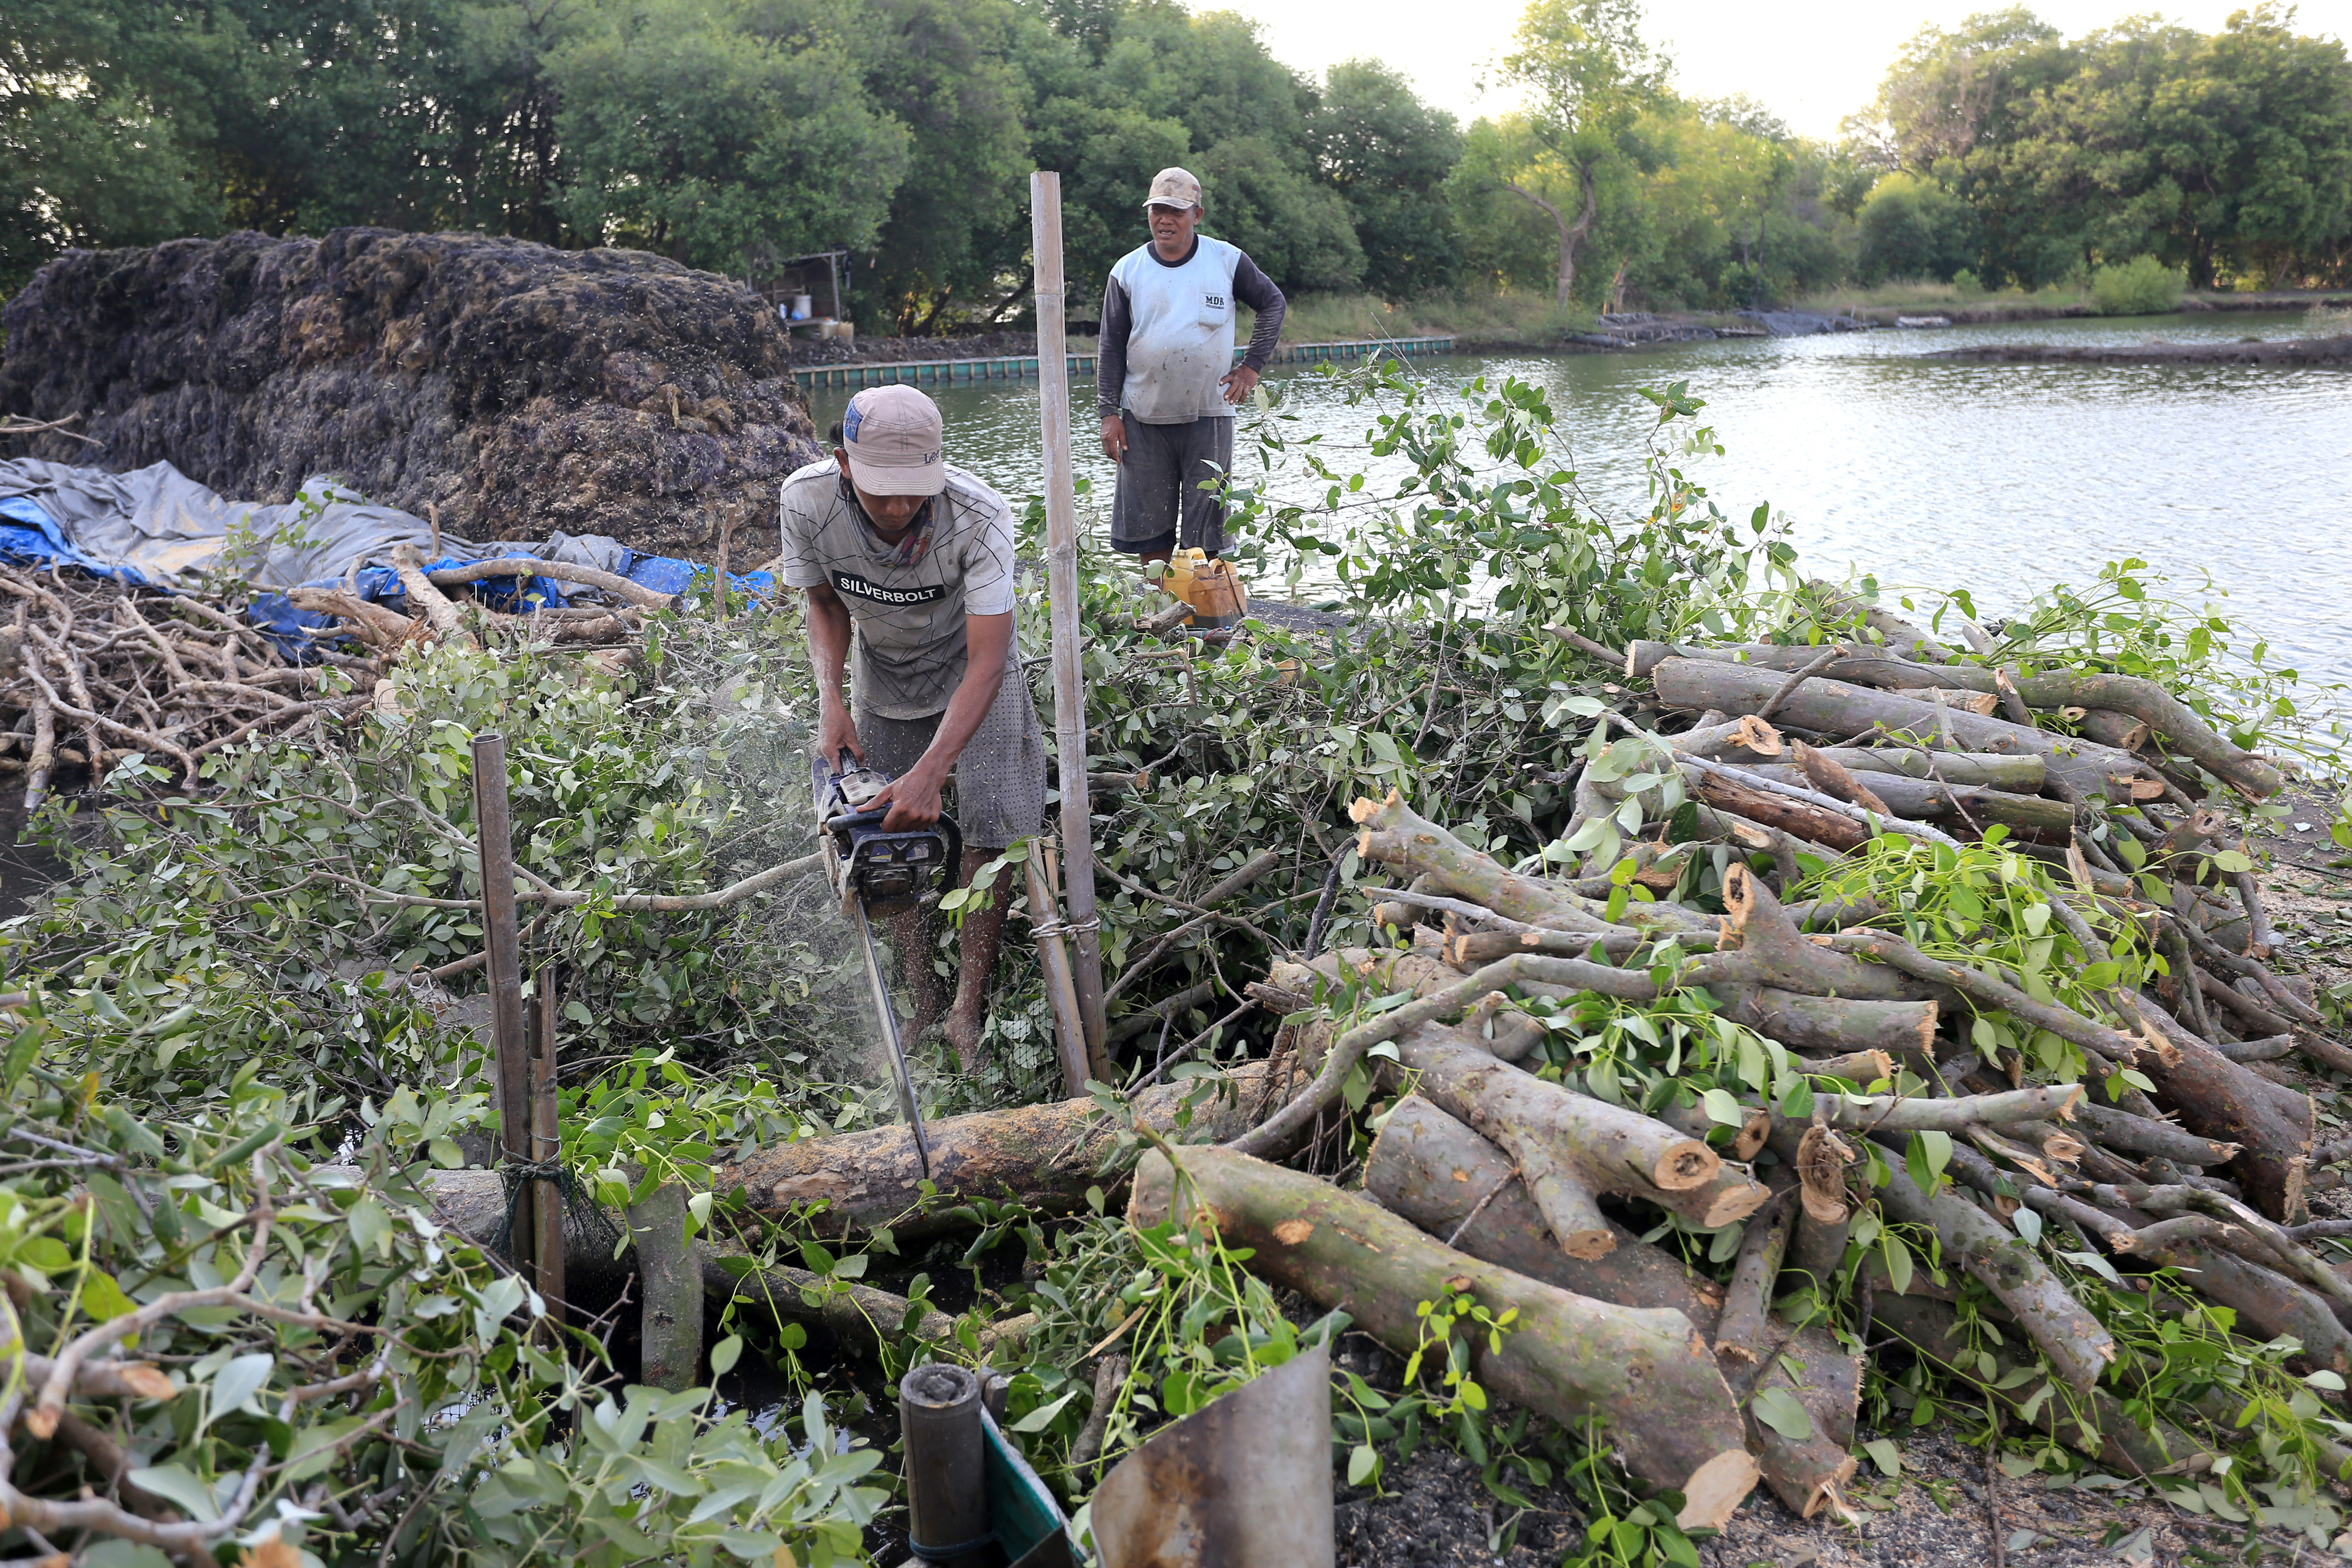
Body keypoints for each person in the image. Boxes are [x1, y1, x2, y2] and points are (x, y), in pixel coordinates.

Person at [777, 384, 1045, 1069]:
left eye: (912, 494)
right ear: (844, 465)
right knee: (889, 837)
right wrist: (829, 700)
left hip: (975, 674)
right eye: (880, 494)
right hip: (884, 671)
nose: (898, 509)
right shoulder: (805, 500)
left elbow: (987, 661)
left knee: (991, 834)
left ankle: (966, 1005)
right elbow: (822, 603)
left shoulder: (980, 515)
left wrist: (934, 769)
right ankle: (923, 995)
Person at [1096, 166, 1287, 566]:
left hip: (1209, 414)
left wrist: (1251, 368)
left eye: (1176, 211)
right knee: (1149, 532)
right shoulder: (1127, 270)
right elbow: (1111, 345)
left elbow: (1273, 303)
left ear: (1196, 215)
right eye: (1158, 210)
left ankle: (1208, 621)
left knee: (1208, 536)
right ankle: (1157, 617)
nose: (1165, 219)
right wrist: (1108, 413)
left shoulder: (1226, 259)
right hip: (1142, 416)